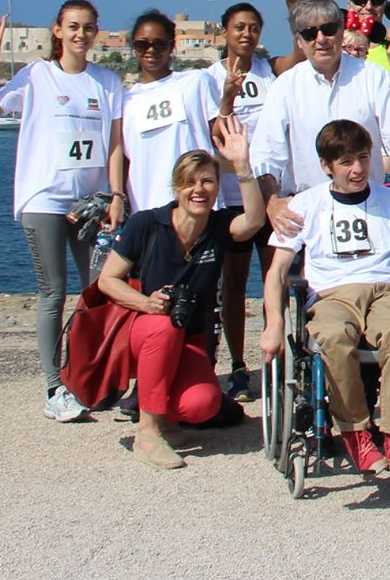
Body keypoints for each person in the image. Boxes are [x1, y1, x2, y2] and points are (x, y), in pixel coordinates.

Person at [259, 119, 390, 473]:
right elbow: (277, 272)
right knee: (333, 336)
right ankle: (356, 433)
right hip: (331, 295)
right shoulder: (305, 206)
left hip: (389, 291)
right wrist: (274, 323)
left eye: (364, 158)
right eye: (346, 162)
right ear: (326, 166)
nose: (358, 169)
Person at [0, 0, 126, 422]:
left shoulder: (107, 81)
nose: (81, 34)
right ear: (57, 30)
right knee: (54, 292)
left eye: (88, 27)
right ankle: (54, 386)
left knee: (100, 289)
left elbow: (115, 145)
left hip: (90, 203)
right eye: (73, 26)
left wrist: (117, 194)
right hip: (44, 200)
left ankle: (93, 375)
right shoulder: (37, 75)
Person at [97, 130, 269, 469]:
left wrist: (241, 166)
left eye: (207, 182)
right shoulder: (147, 224)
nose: (198, 189)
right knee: (163, 327)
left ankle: (167, 421)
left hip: (189, 338)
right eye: (190, 182)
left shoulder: (218, 227)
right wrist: (146, 303)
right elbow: (107, 280)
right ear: (176, 188)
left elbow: (254, 220)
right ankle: (147, 433)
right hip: (141, 333)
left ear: (217, 188)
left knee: (202, 404)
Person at [249, 0, 390, 241]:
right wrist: (272, 202)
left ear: (340, 30)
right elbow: (265, 154)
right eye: (310, 33)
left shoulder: (373, 77)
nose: (321, 39)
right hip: (306, 218)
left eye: (328, 30)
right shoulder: (285, 87)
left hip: (372, 212)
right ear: (299, 41)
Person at [206, 0, 305, 403]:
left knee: (274, 279)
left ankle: (277, 361)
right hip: (232, 196)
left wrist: (292, 2)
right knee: (231, 284)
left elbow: (301, 51)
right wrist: (228, 95)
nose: (246, 34)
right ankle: (237, 367)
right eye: (239, 28)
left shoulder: (270, 70)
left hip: (270, 192)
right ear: (225, 32)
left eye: (253, 28)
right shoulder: (209, 77)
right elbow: (216, 134)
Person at [120, 11, 218, 213]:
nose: (151, 50)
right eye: (142, 44)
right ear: (134, 48)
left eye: (159, 44)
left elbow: (219, 135)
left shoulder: (197, 82)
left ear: (172, 46)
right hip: (148, 211)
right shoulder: (124, 101)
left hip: (199, 206)